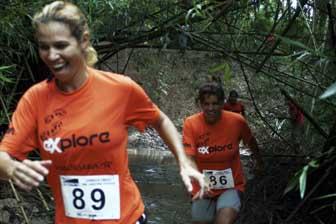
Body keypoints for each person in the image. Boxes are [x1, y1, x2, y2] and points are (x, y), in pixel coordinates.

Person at [0, 1, 205, 223]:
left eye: (60, 45)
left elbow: (160, 120)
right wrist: (11, 168)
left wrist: (183, 162)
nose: (51, 55)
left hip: (128, 219)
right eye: (43, 47)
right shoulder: (35, 99)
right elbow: (4, 155)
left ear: (83, 41)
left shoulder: (121, 89)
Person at [183, 82, 263, 224]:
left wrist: (259, 162)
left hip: (232, 185)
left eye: (215, 103)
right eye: (206, 104)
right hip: (202, 187)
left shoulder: (237, 121)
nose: (211, 108)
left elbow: (251, 142)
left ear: (222, 103)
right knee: (201, 219)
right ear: (200, 104)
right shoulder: (191, 123)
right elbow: (189, 158)